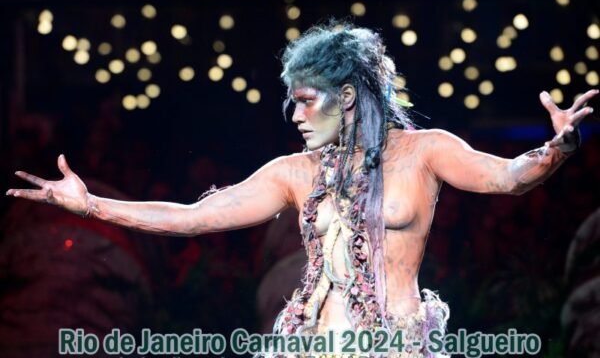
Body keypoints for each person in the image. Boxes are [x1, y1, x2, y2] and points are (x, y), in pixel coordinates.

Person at [5, 23, 598, 358]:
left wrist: (556, 149)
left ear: (346, 95)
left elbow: (510, 177)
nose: (294, 113)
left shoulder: (427, 152)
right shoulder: (293, 172)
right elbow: (193, 217)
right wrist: (90, 206)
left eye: (306, 99)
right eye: (292, 100)